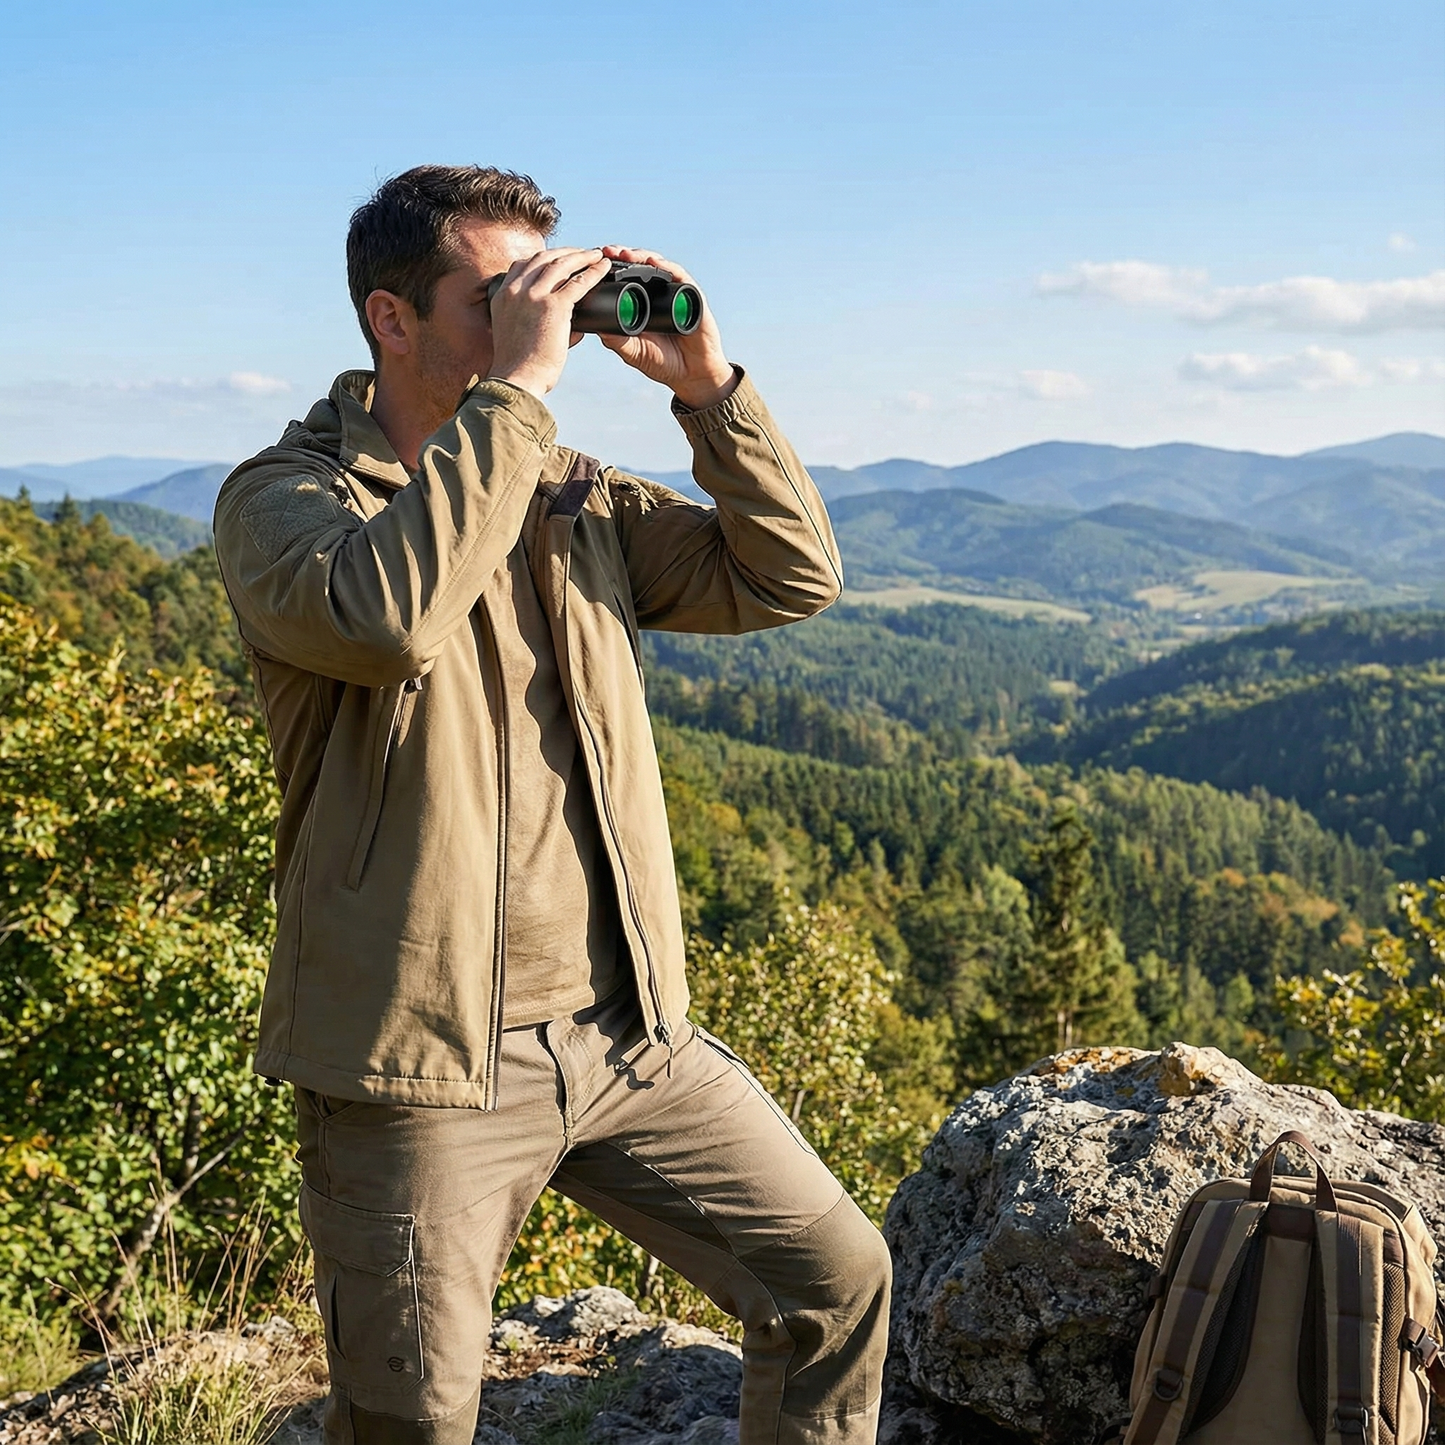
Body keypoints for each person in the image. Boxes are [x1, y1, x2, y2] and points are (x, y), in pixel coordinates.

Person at [213, 165, 891, 1445]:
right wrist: (520, 394)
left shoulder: (567, 492)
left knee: (833, 1282)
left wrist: (708, 391)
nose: (537, 317)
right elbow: (388, 618)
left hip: (630, 1031)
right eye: (499, 295)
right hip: (422, 1064)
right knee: (411, 1416)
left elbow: (787, 572)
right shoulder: (281, 501)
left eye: (549, 287)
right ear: (390, 318)